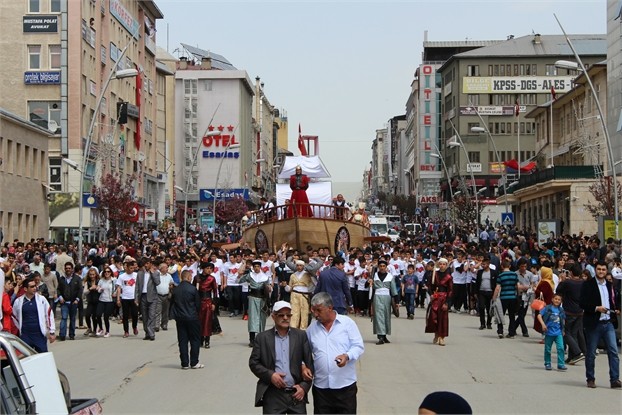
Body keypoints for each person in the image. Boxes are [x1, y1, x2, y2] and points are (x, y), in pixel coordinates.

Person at [249, 301, 314, 414]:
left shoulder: (300, 336)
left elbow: (310, 364)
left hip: (296, 393)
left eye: (288, 315)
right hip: (273, 394)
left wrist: (303, 387)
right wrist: (271, 375)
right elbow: (254, 363)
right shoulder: (262, 338)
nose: (285, 318)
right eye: (281, 315)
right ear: (273, 316)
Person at [305, 292, 364, 414]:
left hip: (345, 387)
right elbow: (303, 353)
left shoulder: (347, 324)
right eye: (313, 311)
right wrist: (303, 366)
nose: (315, 315)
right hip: (321, 388)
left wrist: (347, 356)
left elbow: (358, 346)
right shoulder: (311, 329)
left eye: (319, 311)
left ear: (330, 308)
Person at [579, 260, 621, 389]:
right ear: (595, 270)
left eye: (603, 269)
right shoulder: (588, 285)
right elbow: (582, 303)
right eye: (599, 269)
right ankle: (590, 378)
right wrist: (597, 308)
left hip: (608, 322)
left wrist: (616, 308)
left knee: (613, 351)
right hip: (594, 323)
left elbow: (613, 300)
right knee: (591, 353)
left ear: (606, 271)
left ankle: (614, 379)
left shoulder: (609, 284)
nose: (601, 272)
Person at [169, 270, 203, 370]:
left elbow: (172, 303)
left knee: (182, 340)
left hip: (180, 318)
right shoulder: (193, 289)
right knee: (195, 340)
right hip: (192, 317)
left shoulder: (176, 290)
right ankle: (194, 362)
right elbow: (198, 305)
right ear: (188, 277)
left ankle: (184, 363)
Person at [12, 277, 56, 352]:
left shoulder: (42, 299)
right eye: (32, 287)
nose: (35, 288)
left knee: (43, 357)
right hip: (25, 336)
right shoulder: (18, 302)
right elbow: (14, 317)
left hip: (39, 335)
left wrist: (52, 331)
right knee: (26, 359)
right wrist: (20, 329)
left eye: (35, 286)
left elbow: (49, 314)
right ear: (25, 289)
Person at [555, 263, 586, 365]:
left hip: (569, 311)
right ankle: (572, 357)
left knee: (565, 333)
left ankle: (577, 352)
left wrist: (563, 280)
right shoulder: (583, 282)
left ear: (571, 272)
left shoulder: (568, 283)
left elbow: (558, 291)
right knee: (574, 334)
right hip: (580, 311)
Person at [238, 260, 271, 347]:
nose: (256, 268)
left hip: (262, 299)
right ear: (253, 267)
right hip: (253, 298)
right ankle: (252, 339)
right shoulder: (250, 276)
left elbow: (269, 287)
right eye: (255, 266)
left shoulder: (265, 277)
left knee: (261, 319)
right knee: (252, 318)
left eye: (258, 266)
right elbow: (239, 280)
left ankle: (261, 339)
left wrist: (269, 289)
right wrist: (242, 269)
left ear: (260, 267)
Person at [536, 293, 567, 371]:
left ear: (561, 301)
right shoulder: (547, 308)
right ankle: (547, 363)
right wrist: (543, 324)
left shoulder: (561, 310)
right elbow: (539, 315)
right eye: (555, 299)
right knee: (548, 349)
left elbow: (563, 320)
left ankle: (561, 364)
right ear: (552, 299)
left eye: (559, 300)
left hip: (558, 332)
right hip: (549, 332)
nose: (557, 301)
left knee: (561, 348)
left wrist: (563, 330)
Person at [425, 257, 452, 346]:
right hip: (435, 298)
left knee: (442, 319)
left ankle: (442, 337)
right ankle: (436, 334)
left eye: (444, 264)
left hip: (444, 298)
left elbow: (450, 291)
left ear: (446, 265)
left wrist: (447, 302)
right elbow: (429, 286)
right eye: (440, 264)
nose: (442, 266)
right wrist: (431, 294)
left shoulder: (448, 277)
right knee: (433, 317)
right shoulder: (434, 274)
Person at [371, 260, 398, 344]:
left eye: (384, 266)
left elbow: (393, 290)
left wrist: (396, 301)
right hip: (377, 297)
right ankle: (380, 336)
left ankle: (385, 335)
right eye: (381, 266)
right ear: (378, 267)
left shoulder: (390, 276)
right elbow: (370, 288)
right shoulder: (374, 276)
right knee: (379, 316)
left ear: (386, 267)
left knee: (386, 315)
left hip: (387, 298)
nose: (382, 268)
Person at [492, 259, 520, 339]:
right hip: (512, 297)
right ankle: (511, 333)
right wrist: (517, 295)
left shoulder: (501, 276)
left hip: (503, 297)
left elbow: (497, 288)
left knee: (500, 314)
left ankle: (500, 331)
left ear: (502, 266)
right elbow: (518, 286)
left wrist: (494, 298)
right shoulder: (514, 275)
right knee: (512, 316)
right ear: (510, 266)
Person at [134, 258, 161, 341]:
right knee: (145, 316)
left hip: (152, 297)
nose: (146, 265)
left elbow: (157, 283)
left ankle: (151, 333)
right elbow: (137, 287)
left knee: (151, 315)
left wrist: (152, 273)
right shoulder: (140, 273)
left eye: (148, 263)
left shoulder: (156, 272)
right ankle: (147, 333)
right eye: (145, 264)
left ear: (150, 264)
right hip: (143, 296)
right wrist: (136, 298)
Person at [285, 260, 315, 330]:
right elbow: (289, 288)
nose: (299, 267)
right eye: (297, 265)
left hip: (304, 295)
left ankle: (303, 329)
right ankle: (293, 328)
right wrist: (285, 286)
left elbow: (313, 285)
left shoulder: (308, 275)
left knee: (304, 312)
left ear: (303, 266)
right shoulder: (293, 275)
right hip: (294, 294)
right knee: (294, 312)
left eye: (300, 265)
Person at [57, 262, 83, 341]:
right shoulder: (62, 279)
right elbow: (58, 289)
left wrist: (77, 300)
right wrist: (60, 297)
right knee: (64, 318)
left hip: (73, 303)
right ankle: (62, 335)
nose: (68, 269)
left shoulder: (77, 279)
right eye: (66, 268)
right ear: (65, 269)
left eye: (69, 268)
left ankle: (72, 334)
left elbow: (80, 290)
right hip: (64, 302)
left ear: (72, 269)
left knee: (72, 318)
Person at [196, 262, 219, 348]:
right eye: (207, 268)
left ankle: (207, 340)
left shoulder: (212, 279)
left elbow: (215, 292)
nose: (209, 270)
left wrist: (214, 303)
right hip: (199, 301)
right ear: (203, 269)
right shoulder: (197, 278)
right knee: (199, 321)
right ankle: (200, 339)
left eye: (211, 268)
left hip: (208, 301)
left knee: (207, 321)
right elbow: (194, 290)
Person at [116, 257, 139, 338]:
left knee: (135, 314)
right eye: (130, 268)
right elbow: (119, 288)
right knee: (125, 316)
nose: (132, 269)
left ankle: (134, 327)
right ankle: (126, 331)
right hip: (125, 298)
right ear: (127, 268)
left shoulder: (136, 275)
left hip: (134, 298)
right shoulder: (122, 276)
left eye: (133, 268)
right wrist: (118, 298)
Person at [475, 254, 497, 330]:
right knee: (481, 307)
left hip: (490, 292)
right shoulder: (480, 272)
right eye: (482, 264)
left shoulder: (493, 272)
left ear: (488, 264)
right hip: (481, 292)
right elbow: (477, 282)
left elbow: (496, 283)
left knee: (489, 308)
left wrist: (495, 293)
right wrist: (475, 292)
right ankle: (482, 323)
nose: (483, 266)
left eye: (484, 264)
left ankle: (489, 323)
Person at [155, 263, 174, 332]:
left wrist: (171, 286)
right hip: (158, 295)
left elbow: (172, 283)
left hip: (166, 295)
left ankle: (164, 324)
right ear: (161, 269)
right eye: (166, 267)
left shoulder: (169, 276)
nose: (167, 269)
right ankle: (156, 325)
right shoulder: (157, 275)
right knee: (157, 311)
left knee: (165, 311)